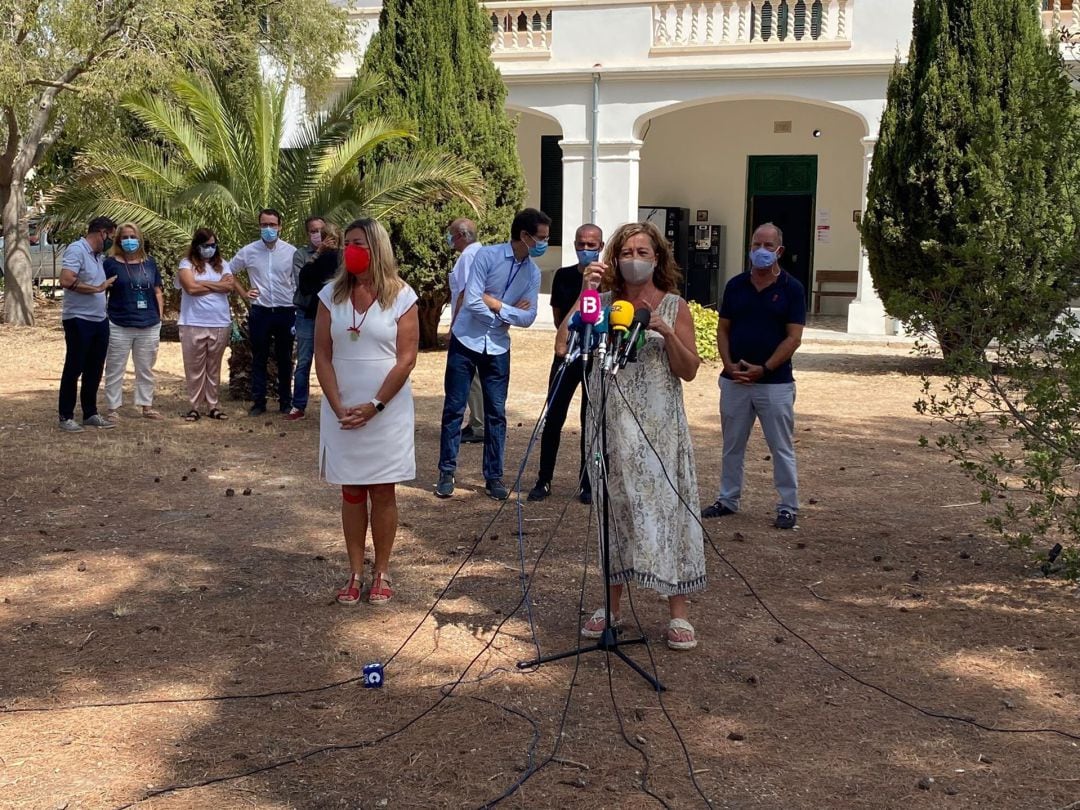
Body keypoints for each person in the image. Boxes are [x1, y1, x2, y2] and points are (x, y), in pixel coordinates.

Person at [557, 220, 705, 651]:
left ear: (657, 259)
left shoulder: (675, 306)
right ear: (613, 259)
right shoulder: (599, 302)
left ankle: (678, 612)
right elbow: (564, 345)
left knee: (669, 514)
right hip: (611, 427)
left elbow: (690, 370)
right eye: (627, 252)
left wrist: (663, 329)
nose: (635, 260)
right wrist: (586, 291)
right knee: (613, 510)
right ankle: (611, 606)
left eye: (643, 253)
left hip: (660, 432)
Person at [314, 218, 419, 606]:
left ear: (377, 247)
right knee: (352, 490)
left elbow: (406, 359)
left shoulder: (402, 296)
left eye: (357, 243)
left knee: (383, 488)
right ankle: (355, 571)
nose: (349, 250)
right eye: (346, 244)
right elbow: (322, 354)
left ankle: (382, 572)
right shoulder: (331, 295)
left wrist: (375, 406)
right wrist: (337, 403)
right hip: (341, 408)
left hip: (384, 409)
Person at [435, 208, 548, 501]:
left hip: (498, 347)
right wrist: (508, 313)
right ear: (524, 236)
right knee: (454, 408)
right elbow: (472, 300)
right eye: (540, 238)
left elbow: (530, 317)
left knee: (497, 414)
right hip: (466, 340)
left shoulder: (532, 273)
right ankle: (446, 472)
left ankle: (494, 477)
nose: (543, 244)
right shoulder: (487, 256)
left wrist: (497, 306)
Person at [702, 222, 805, 530]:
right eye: (755, 244)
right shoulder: (735, 285)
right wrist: (729, 364)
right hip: (734, 381)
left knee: (781, 447)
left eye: (768, 246)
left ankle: (787, 506)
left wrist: (766, 368)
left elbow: (793, 337)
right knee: (732, 445)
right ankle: (727, 499)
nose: (760, 251)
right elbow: (723, 329)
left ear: (780, 251)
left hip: (775, 384)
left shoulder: (792, 289)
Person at [527, 223, 604, 504]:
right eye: (581, 245)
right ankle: (543, 479)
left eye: (591, 246)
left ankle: (587, 482)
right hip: (567, 354)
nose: (585, 250)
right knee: (554, 417)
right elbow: (561, 320)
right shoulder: (563, 276)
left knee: (590, 419)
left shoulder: (610, 279)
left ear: (602, 247)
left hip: (597, 356)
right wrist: (585, 291)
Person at [231, 209, 298, 417]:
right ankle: (258, 402)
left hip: (285, 311)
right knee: (258, 357)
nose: (268, 229)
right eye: (264, 225)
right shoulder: (248, 251)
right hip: (260, 312)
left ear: (280, 226)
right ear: (259, 227)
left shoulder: (291, 252)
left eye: (272, 225)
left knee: (284, 358)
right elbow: (228, 271)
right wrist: (244, 292)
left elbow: (298, 279)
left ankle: (286, 402)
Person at [57, 216, 117, 432]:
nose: (112, 241)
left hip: (99, 319)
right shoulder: (77, 249)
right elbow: (66, 279)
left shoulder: (97, 256)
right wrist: (97, 289)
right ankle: (66, 415)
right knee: (75, 367)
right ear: (102, 233)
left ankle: (90, 413)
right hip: (78, 319)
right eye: (111, 236)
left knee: (95, 367)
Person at [102, 222, 165, 422]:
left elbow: (157, 290)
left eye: (133, 237)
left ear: (140, 239)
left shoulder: (150, 263)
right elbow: (101, 290)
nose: (130, 241)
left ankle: (146, 406)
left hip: (149, 323)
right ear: (119, 240)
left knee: (145, 368)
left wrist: (159, 317)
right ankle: (113, 408)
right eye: (125, 237)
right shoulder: (110, 263)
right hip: (119, 323)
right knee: (115, 367)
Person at [176, 228, 235, 421]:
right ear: (197, 246)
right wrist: (216, 285)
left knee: (213, 367)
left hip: (219, 322)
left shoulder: (223, 265)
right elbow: (190, 288)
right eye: (205, 245)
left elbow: (229, 286)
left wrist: (205, 285)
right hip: (192, 322)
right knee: (194, 367)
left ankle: (213, 405)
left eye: (212, 245)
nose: (210, 249)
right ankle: (195, 406)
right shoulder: (186, 264)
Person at [288, 221, 340, 420]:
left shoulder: (343, 258)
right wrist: (318, 254)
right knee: (304, 360)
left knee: (334, 361)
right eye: (314, 232)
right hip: (308, 313)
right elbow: (304, 283)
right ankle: (298, 405)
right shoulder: (302, 255)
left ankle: (334, 405)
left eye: (323, 232)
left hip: (335, 314)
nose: (319, 236)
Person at [446, 218, 485, 444]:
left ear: (462, 235)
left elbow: (465, 293)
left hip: (467, 326)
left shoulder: (469, 256)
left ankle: (479, 424)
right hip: (474, 324)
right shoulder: (478, 253)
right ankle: (477, 420)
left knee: (473, 378)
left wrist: (454, 326)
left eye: (451, 234)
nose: (450, 239)